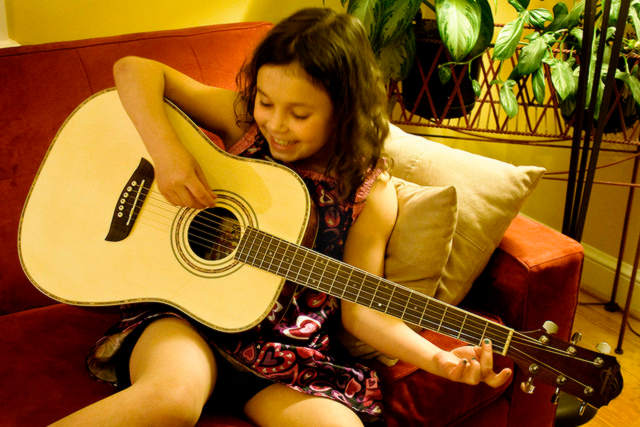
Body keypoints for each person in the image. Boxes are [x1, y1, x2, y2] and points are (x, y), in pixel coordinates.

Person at [52, 7, 511, 427]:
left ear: (343, 112)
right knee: (172, 398)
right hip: (188, 318)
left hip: (286, 355)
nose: (274, 123)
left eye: (299, 114)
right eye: (267, 102)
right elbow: (133, 70)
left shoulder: (369, 193)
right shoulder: (245, 124)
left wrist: (441, 360)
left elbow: (362, 313)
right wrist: (168, 154)